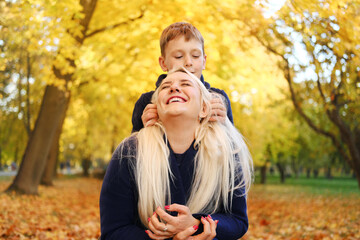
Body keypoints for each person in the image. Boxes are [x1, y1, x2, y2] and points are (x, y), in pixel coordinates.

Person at [100, 67, 253, 240]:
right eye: (165, 86)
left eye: (186, 83)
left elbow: (238, 220)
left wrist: (196, 223)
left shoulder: (227, 151)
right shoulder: (129, 151)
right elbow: (113, 230)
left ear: (204, 108)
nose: (174, 88)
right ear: (156, 108)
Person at [131, 22, 233, 133]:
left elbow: (234, 147)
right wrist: (145, 131)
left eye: (195, 56)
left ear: (204, 61)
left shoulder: (218, 99)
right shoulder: (147, 102)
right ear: (163, 63)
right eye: (178, 56)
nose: (188, 62)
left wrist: (224, 125)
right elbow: (132, 148)